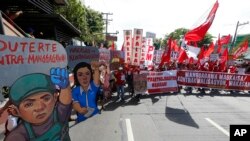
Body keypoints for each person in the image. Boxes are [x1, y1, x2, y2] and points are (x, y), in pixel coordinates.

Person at [4, 68, 72, 141]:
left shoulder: (59, 115)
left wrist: (65, 87)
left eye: (46, 99)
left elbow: (65, 102)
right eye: (29, 104)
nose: (40, 107)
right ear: (15, 111)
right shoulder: (17, 137)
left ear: (55, 98)